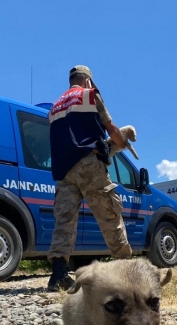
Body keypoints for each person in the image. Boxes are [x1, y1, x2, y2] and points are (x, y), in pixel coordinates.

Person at [46, 65, 133, 291]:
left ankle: (58, 275)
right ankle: (126, 271)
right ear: (87, 81)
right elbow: (110, 127)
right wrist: (121, 143)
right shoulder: (89, 95)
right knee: (109, 215)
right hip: (89, 164)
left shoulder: (54, 107)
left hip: (64, 169)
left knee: (64, 221)